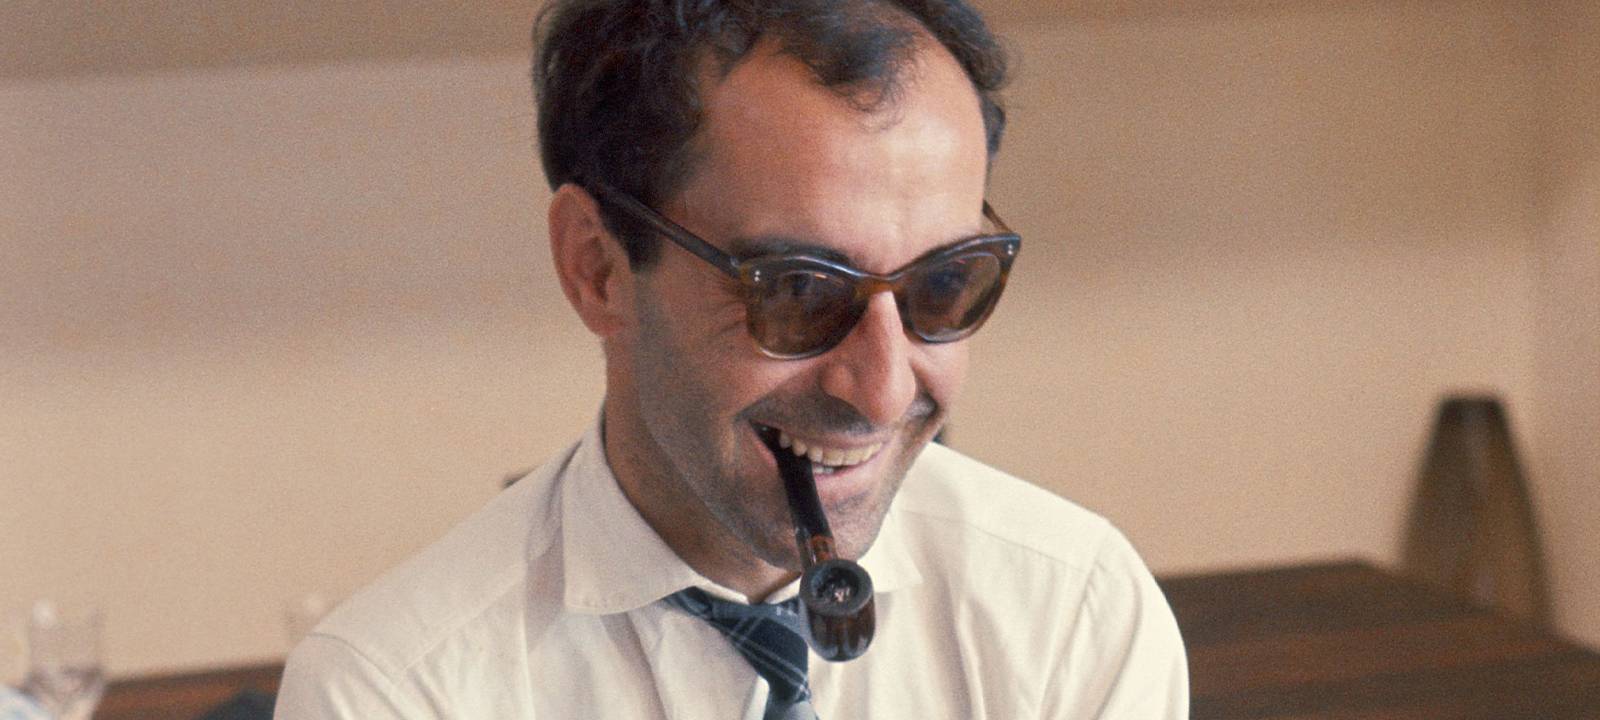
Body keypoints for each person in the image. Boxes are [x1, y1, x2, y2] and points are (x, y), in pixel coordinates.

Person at [275, 0, 1188, 717]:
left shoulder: (1073, 611)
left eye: (944, 283)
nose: (882, 390)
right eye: (798, 290)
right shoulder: (393, 694)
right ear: (597, 269)